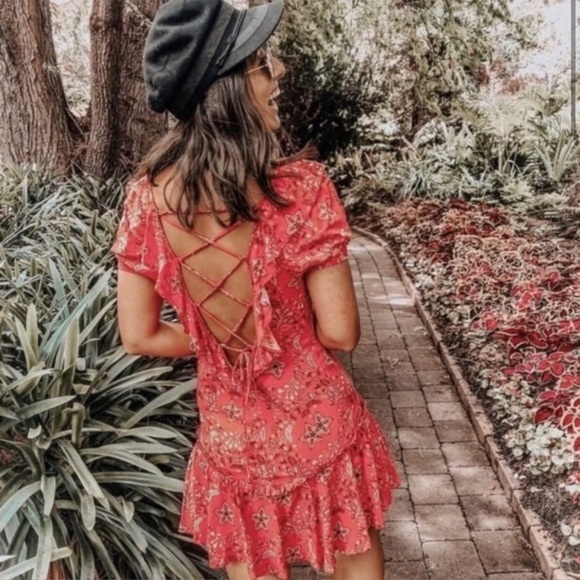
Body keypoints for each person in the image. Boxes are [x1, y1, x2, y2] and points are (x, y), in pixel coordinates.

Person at [112, 0, 400, 579]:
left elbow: (139, 336)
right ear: (230, 87)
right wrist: (280, 332)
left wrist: (215, 340)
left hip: (232, 439)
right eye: (262, 62)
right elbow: (340, 333)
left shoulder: (147, 202)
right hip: (320, 426)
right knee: (353, 550)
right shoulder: (301, 189)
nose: (278, 72)